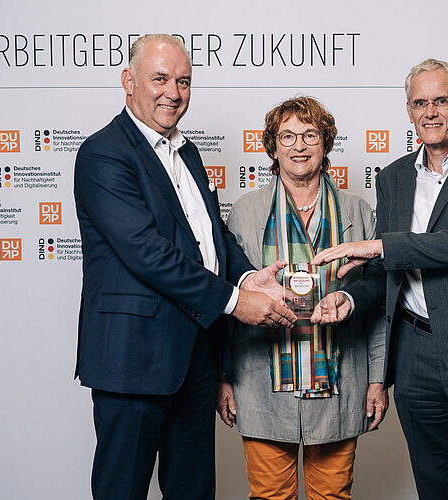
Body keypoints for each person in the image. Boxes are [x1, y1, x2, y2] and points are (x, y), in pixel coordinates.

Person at [73, 33, 295, 500]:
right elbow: (148, 253)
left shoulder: (187, 152)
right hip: (133, 360)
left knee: (193, 491)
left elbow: (211, 234)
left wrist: (247, 276)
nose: (173, 93)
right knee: (122, 490)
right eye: (160, 79)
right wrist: (236, 301)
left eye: (183, 81)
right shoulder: (104, 153)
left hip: (195, 356)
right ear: (128, 81)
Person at [311, 59, 448, 499]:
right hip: (415, 355)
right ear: (409, 111)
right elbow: (387, 268)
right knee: (435, 488)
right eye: (420, 103)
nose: (429, 112)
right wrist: (349, 299)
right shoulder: (394, 177)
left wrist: (379, 246)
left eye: (440, 101)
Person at [216, 96, 387, 500]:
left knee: (332, 496)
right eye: (287, 136)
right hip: (261, 382)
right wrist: (221, 376)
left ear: (325, 144)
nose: (299, 145)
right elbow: (227, 301)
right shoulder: (245, 212)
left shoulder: (357, 211)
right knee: (270, 496)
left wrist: (378, 379)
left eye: (310, 135)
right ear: (272, 146)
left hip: (339, 382)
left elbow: (377, 303)